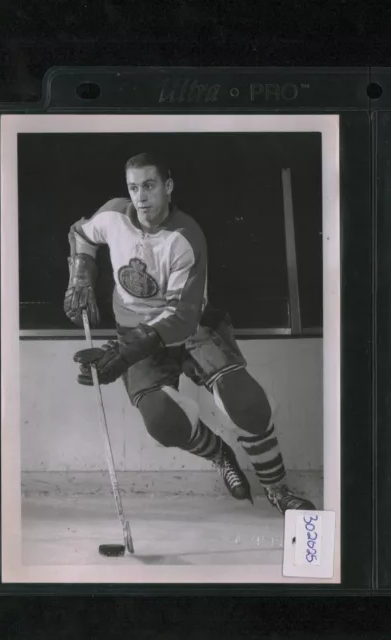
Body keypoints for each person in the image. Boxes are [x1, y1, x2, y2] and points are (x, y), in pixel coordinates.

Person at [64, 152, 315, 514]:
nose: (141, 197)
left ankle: (277, 488)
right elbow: (80, 233)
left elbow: (181, 318)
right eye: (133, 187)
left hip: (192, 327)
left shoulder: (185, 236)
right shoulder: (113, 215)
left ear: (167, 186)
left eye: (149, 186)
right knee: (164, 424)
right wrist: (82, 273)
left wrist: (123, 354)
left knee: (247, 403)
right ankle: (221, 455)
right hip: (136, 332)